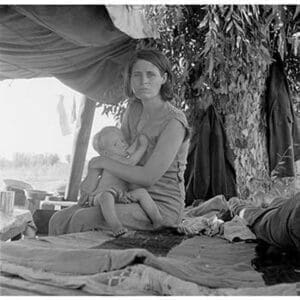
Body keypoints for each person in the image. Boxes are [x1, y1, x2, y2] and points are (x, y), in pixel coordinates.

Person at [48, 49, 190, 235]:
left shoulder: (174, 122)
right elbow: (120, 155)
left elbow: (148, 177)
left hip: (158, 205)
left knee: (82, 219)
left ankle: (79, 263)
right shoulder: (133, 110)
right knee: (57, 219)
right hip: (126, 194)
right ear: (130, 80)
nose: (143, 81)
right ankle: (56, 264)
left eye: (151, 75)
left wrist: (101, 162)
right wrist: (94, 186)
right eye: (137, 75)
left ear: (164, 78)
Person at [80, 126, 163, 237]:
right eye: (115, 144)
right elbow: (130, 162)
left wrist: (137, 140)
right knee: (106, 197)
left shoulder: (116, 157)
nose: (122, 144)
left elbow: (129, 154)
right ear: (106, 153)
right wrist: (143, 146)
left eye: (122, 140)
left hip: (120, 195)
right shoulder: (110, 159)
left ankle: (158, 221)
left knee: (142, 192)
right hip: (101, 195)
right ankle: (116, 226)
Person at [227, 192, 300, 253]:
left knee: (251, 213)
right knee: (249, 213)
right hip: (282, 216)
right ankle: (236, 204)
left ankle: (237, 204)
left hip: (283, 217)